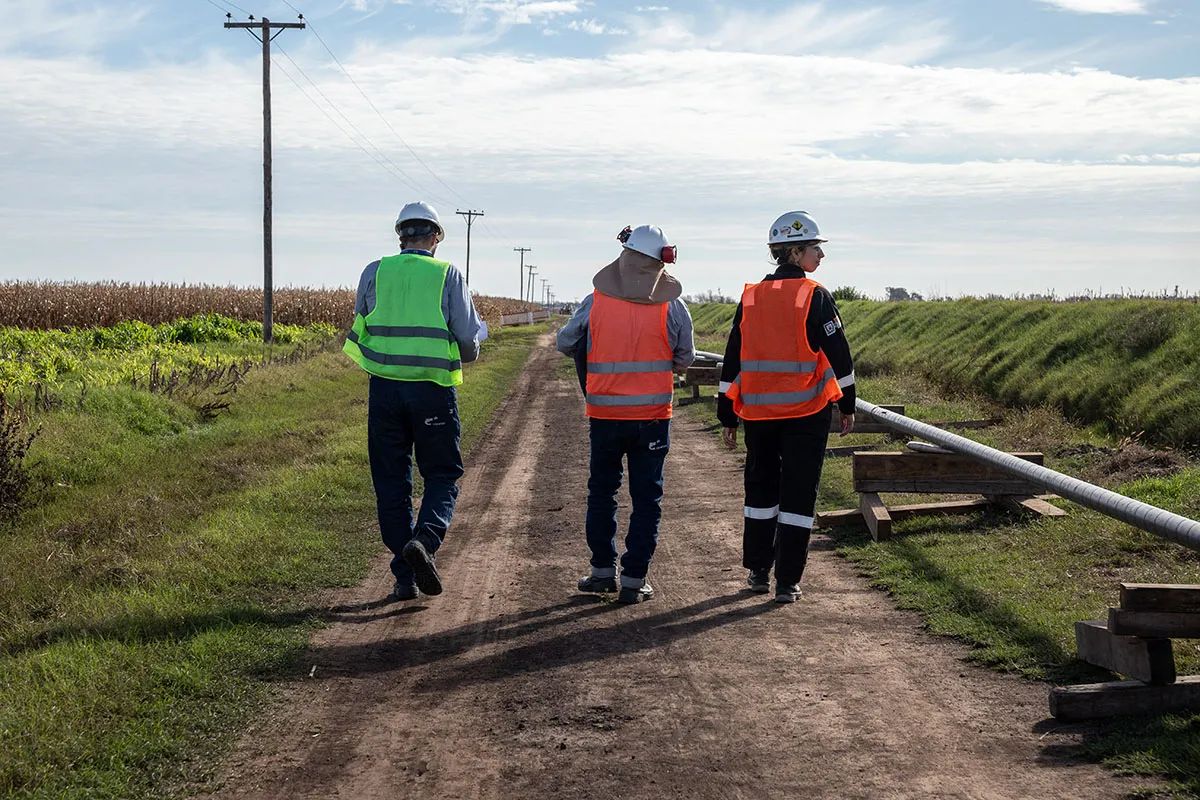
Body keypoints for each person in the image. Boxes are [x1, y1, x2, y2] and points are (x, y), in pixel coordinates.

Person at [344, 201, 486, 601]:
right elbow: (467, 343)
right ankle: (425, 540)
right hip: (432, 392)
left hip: (384, 391)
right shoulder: (448, 275)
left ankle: (403, 577)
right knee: (441, 474)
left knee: (392, 481)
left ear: (400, 235)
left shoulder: (375, 271)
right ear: (436, 237)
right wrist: (476, 342)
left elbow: (363, 319)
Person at [717, 211, 856, 604]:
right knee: (797, 496)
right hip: (806, 414)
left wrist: (727, 412)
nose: (820, 256)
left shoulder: (751, 297)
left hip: (759, 416)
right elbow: (839, 355)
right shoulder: (814, 295)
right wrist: (847, 403)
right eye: (815, 248)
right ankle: (787, 582)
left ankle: (759, 572)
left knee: (760, 492)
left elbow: (733, 358)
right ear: (795, 252)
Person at [557, 225, 695, 603]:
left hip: (604, 417)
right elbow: (685, 358)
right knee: (647, 498)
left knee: (602, 492)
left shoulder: (595, 301)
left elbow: (564, 342)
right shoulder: (673, 306)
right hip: (652, 417)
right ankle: (634, 580)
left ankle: (602, 572)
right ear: (660, 263)